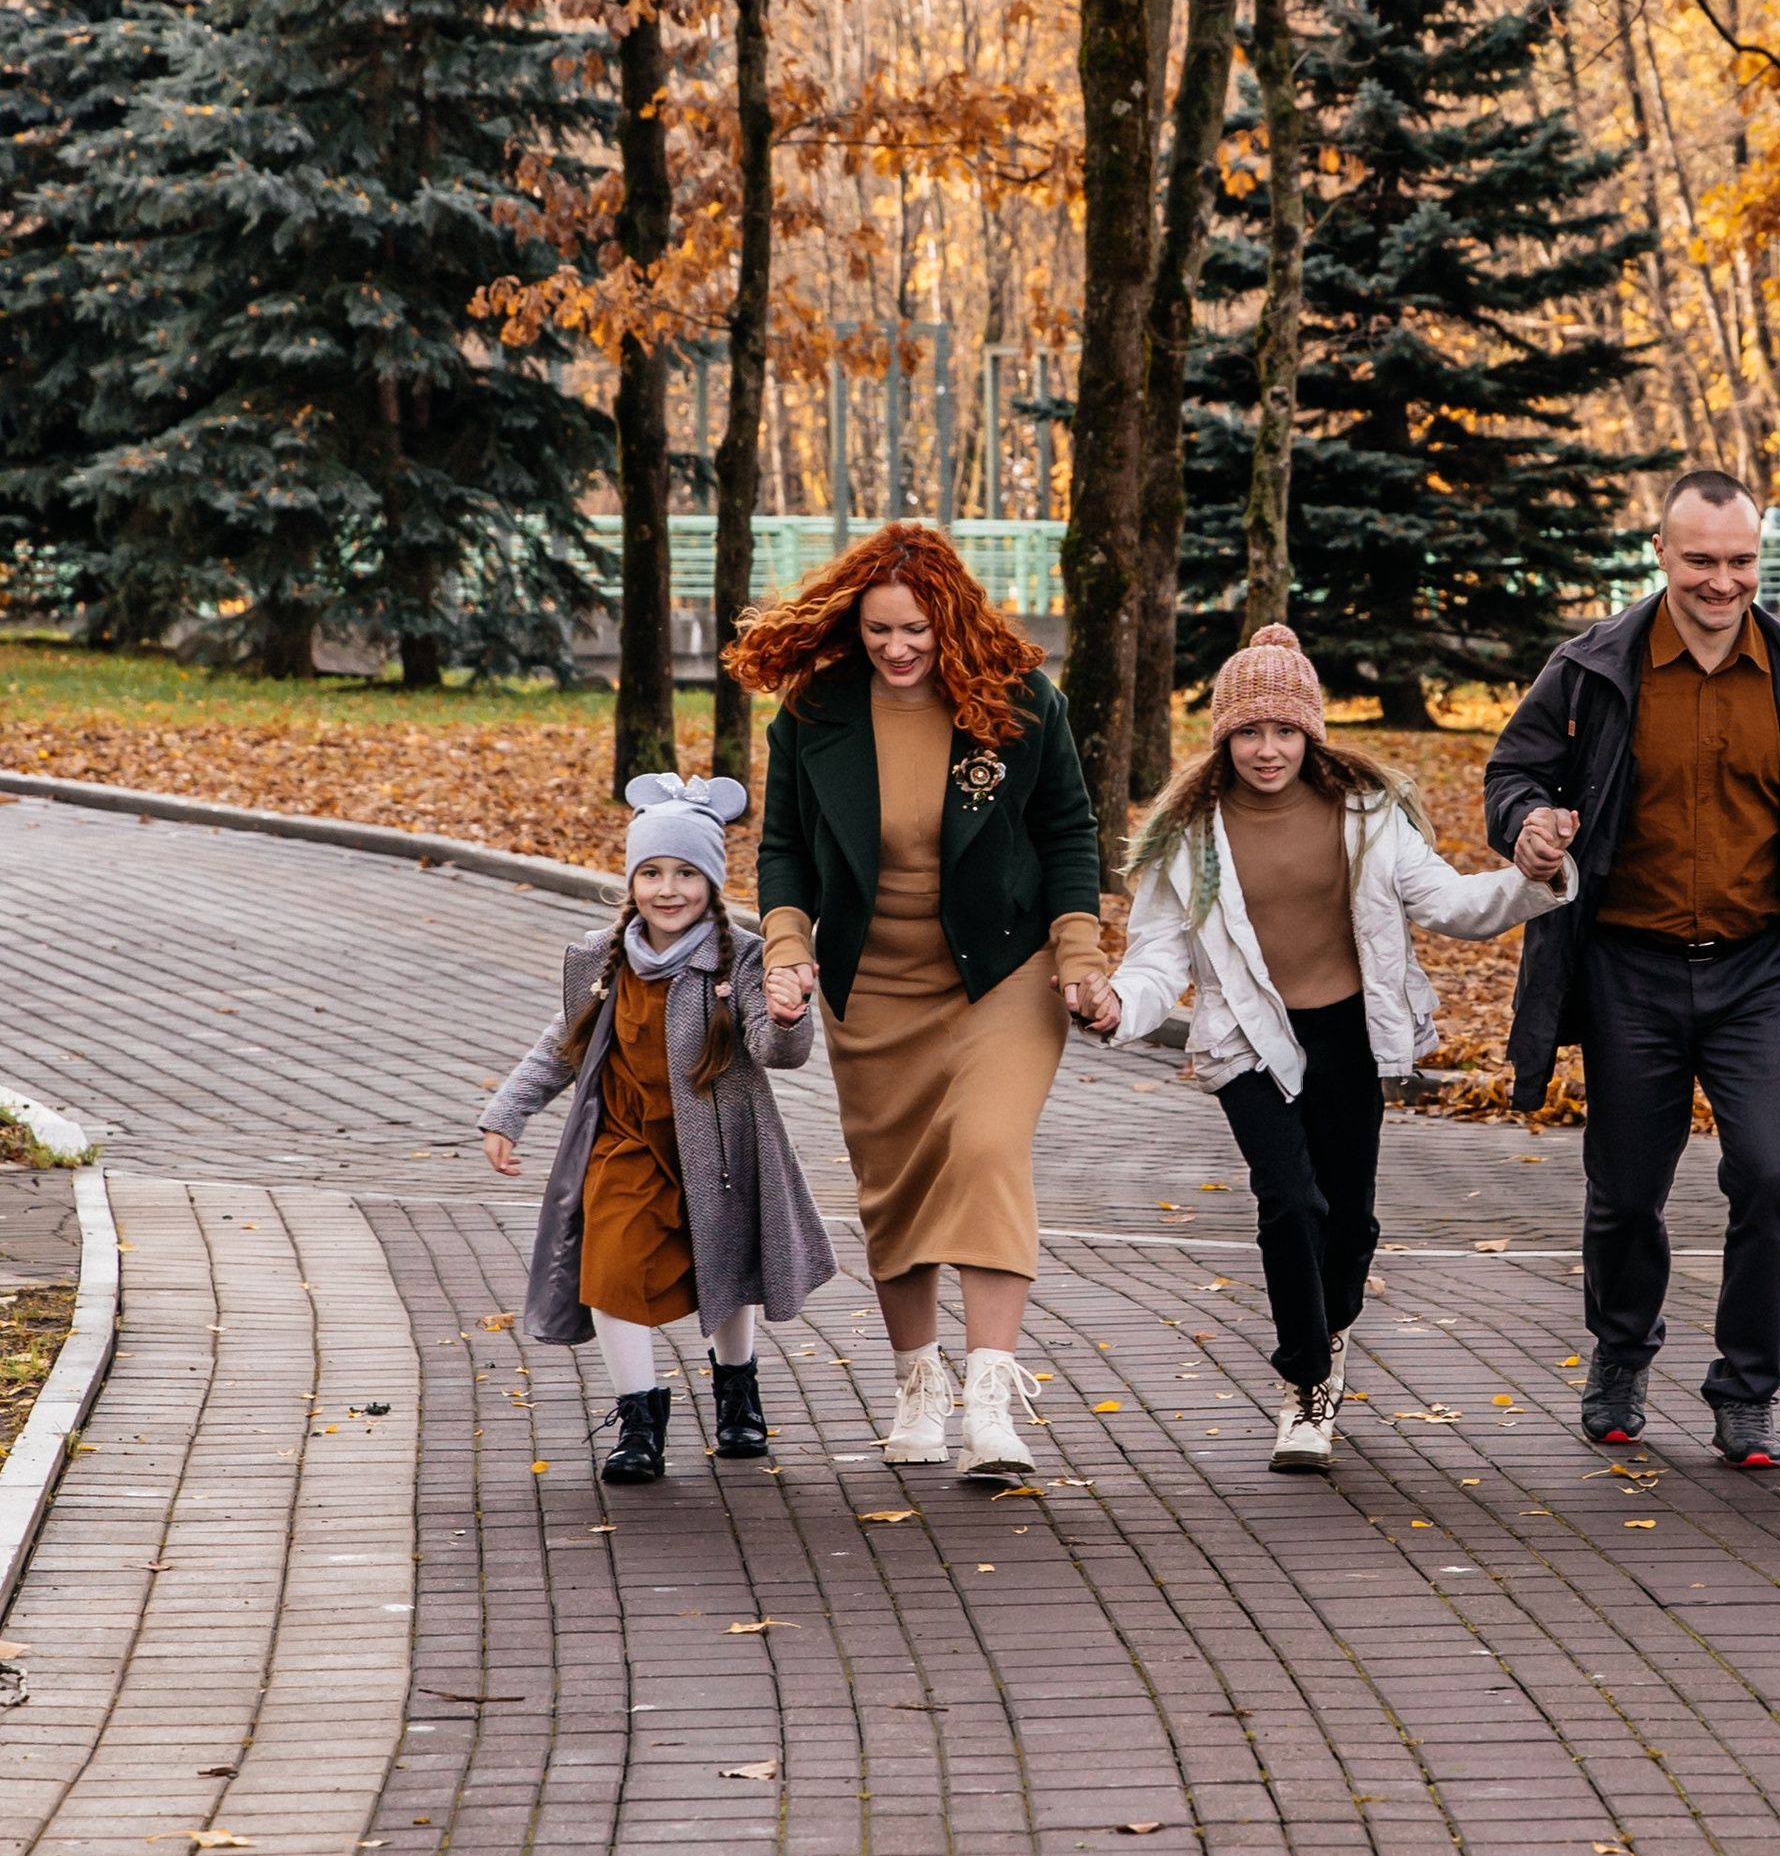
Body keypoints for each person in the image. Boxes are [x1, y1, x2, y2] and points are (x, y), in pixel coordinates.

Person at [1485, 466, 1780, 1466]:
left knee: (1773, 1178)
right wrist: (1529, 825)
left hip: (1763, 973)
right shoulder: (1591, 668)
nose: (1721, 581)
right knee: (1622, 1195)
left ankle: (1746, 1391)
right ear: (1659, 554)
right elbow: (1512, 772)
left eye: (1740, 561)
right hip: (1626, 969)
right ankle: (1620, 1352)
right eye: (1701, 560)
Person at [1113, 623, 1574, 1471]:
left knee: (1348, 1224)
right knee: (1291, 1202)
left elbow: (1451, 903)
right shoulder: (1190, 836)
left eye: (1284, 730)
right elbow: (1158, 953)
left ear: (1311, 732)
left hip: (1349, 1036)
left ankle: (1328, 1330)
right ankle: (1305, 1387)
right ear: (1223, 736)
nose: (1266, 749)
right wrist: (1119, 1004)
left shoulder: (1366, 815)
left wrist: (1534, 877)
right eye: (1248, 731)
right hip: (1250, 1041)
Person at [726, 525, 1117, 1486]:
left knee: (985, 1149)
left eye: (916, 631)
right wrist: (785, 948)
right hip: (877, 985)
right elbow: (784, 850)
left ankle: (991, 1392)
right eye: (878, 632)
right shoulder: (815, 712)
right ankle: (918, 1387)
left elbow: (1068, 830)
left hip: (1002, 975)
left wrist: (1081, 952)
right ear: (853, 626)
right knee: (895, 1188)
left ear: (951, 622)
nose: (898, 650)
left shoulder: (1019, 702)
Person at [479, 773, 838, 1484]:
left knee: (727, 1270)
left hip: (721, 1151)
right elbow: (563, 1044)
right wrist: (508, 1112)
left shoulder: (741, 957)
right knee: (609, 1271)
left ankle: (738, 1394)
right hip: (625, 1145)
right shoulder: (601, 959)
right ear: (631, 880)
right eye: (650, 873)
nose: (667, 889)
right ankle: (638, 1420)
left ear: (710, 881)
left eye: (685, 873)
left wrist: (792, 1015)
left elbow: (775, 1050)